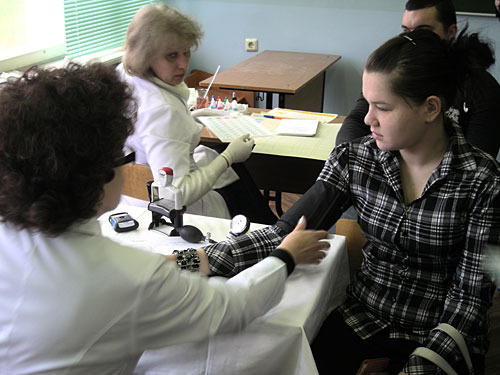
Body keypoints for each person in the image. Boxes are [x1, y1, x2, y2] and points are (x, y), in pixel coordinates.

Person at [201, 29, 500, 374]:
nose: (367, 119)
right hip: (363, 318)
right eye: (367, 103)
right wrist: (199, 260)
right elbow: (286, 232)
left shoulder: (484, 182)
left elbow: (468, 304)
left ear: (431, 108)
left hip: (440, 335)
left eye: (382, 108)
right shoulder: (356, 159)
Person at [0, 62, 330, 373]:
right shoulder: (130, 277)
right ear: (98, 175)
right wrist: (286, 256)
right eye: (121, 154)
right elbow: (234, 307)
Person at [117, 3, 277, 224]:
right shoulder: (163, 110)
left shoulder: (126, 77)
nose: (183, 64)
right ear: (145, 55)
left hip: (130, 198)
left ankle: (273, 231)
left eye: (187, 52)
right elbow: (177, 193)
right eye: (171, 56)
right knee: (232, 167)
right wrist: (229, 157)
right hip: (175, 213)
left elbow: (147, 134)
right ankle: (272, 235)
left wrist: (193, 116)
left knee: (217, 158)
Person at [336, 0, 500, 159]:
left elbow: (476, 160)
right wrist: (349, 163)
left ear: (450, 32)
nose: (414, 40)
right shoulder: (392, 72)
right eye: (407, 32)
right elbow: (356, 121)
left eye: (423, 31)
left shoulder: (483, 90)